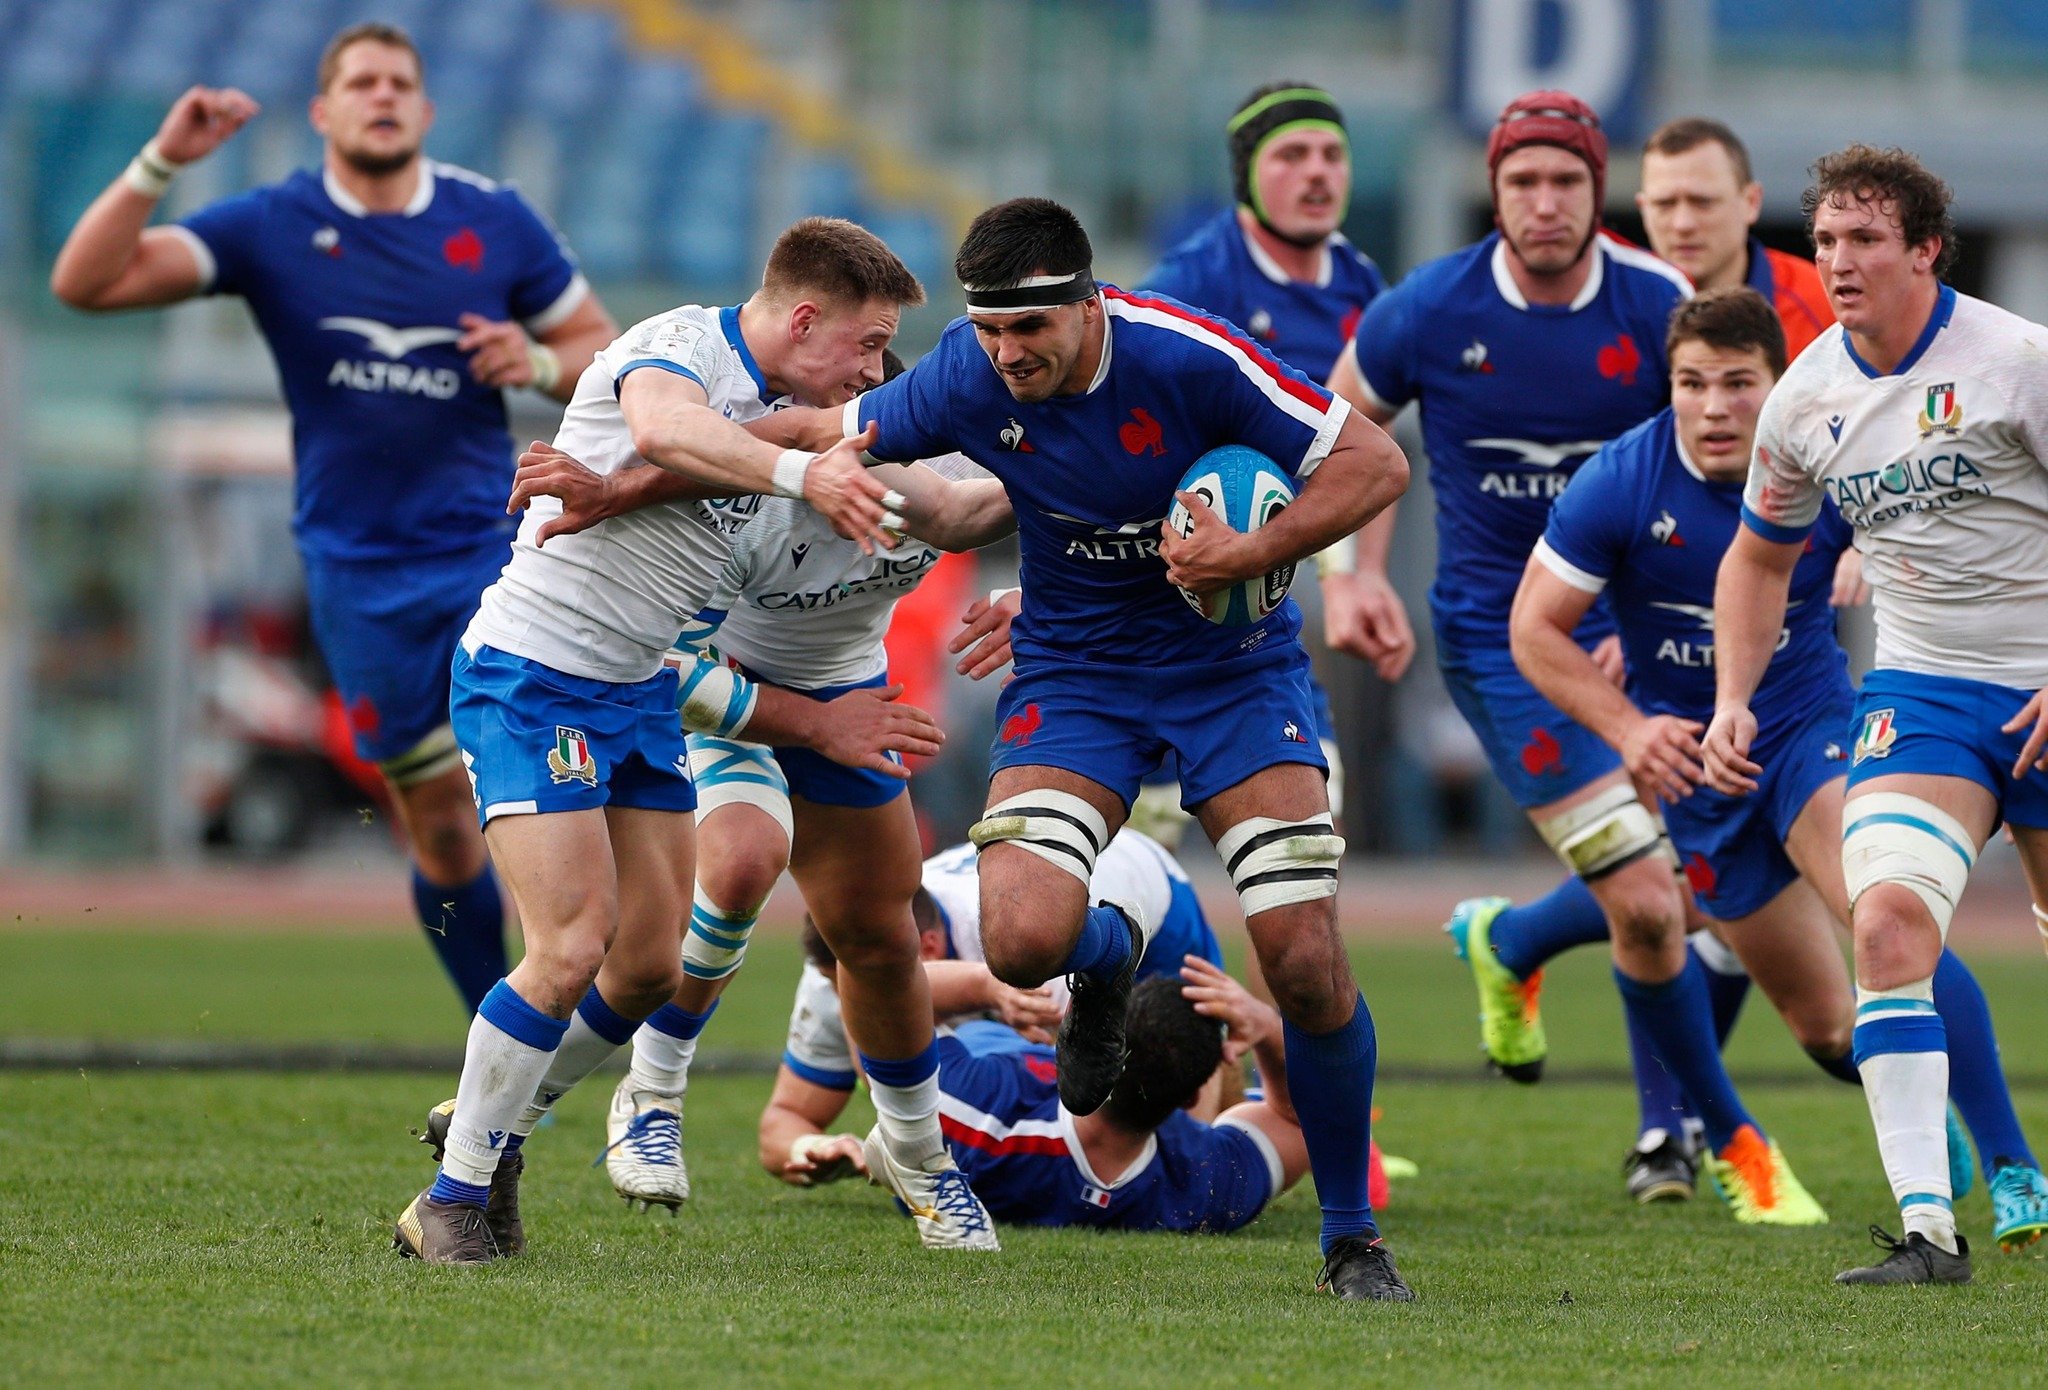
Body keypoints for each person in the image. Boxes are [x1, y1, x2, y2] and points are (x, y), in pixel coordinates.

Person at [752, 197, 1416, 1300]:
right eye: (988, 330)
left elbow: (1374, 465)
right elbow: (819, 433)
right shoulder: (965, 373)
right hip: (1076, 676)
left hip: (1232, 674)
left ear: (1087, 302)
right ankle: (1104, 969)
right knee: (1018, 942)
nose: (1005, 355)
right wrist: (637, 466)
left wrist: (1255, 546)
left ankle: (1350, 1236)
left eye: (1029, 330)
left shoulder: (1188, 356)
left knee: (1301, 959)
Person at [393, 218, 977, 1264]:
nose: (875, 368)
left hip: (632, 694)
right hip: (532, 676)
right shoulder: (680, 348)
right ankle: (452, 1196)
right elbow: (666, 429)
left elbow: (827, 457)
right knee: (572, 943)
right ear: (804, 320)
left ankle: (498, 1126)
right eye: (866, 343)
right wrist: (802, 479)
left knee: (648, 969)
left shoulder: (790, 406)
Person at [49, 23, 619, 1014]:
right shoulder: (273, 224)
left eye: (400, 81)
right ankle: (490, 1021)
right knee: (438, 825)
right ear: (324, 110)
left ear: (426, 110)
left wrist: (530, 363)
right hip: (359, 575)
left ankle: (550, 1028)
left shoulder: (494, 219)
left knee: (534, 794)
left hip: (494, 550)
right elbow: (85, 282)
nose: (382, 95)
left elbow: (597, 345)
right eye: (361, 81)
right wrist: (160, 161)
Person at [1514, 287, 2044, 1235]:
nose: (1715, 406)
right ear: (1668, 390)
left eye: (1737, 383)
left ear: (1778, 384)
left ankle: (2011, 1166)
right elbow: (1532, 631)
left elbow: (1928, 522)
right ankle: (1921, 1113)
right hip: (1700, 771)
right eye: (1692, 384)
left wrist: (1875, 558)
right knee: (1826, 1026)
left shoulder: (1825, 448)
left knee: (1885, 917)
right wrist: (1634, 730)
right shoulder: (1621, 482)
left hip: (1810, 729)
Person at [1709, 144, 2048, 1284]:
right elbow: (1756, 562)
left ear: (1923, 250)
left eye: (1863, 239)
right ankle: (1927, 1232)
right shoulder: (1804, 397)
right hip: (1925, 693)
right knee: (1888, 923)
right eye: (1825, 241)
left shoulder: (2012, 361)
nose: (1839, 261)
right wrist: (1729, 699)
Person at [1137, 81, 1397, 828]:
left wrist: (1362, 575)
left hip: (1278, 590)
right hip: (1166, 595)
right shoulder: (1191, 282)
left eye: (1332, 155)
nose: (1318, 173)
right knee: (1142, 839)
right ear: (1248, 173)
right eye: (1292, 155)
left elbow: (1372, 449)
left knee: (1303, 835)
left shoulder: (1361, 284)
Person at [761, 826, 1228, 1188]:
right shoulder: (844, 967)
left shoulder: (1025, 950)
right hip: (1045, 904)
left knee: (1173, 1121)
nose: (856, 996)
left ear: (928, 947)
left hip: (1142, 898)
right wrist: (813, 1145)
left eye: (865, 984)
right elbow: (783, 1119)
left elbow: (1074, 1123)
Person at [768, 956, 1314, 1235]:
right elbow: (1299, 1119)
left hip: (980, 1020)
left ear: (1090, 1045)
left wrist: (988, 985)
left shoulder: (969, 1117)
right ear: (1199, 1095)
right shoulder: (1204, 1185)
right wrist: (1266, 1026)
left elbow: (865, 984)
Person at [1636, 118, 1834, 360]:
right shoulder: (1615, 306)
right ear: (1643, 209)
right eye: (1664, 204)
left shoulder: (1822, 305)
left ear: (1751, 202)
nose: (1683, 224)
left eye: (1703, 202)